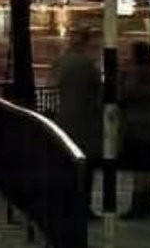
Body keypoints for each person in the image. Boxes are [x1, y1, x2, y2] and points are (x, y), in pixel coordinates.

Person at [54, 27, 102, 218]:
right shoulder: (88, 65)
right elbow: (98, 93)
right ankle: (83, 206)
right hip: (86, 121)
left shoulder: (62, 61)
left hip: (65, 119)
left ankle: (67, 203)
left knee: (69, 166)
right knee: (86, 167)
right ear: (85, 43)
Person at [119, 41, 150, 220]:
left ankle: (137, 205)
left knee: (139, 167)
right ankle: (146, 203)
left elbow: (126, 93)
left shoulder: (138, 73)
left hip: (136, 125)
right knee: (146, 167)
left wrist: (121, 74)